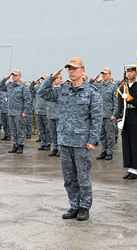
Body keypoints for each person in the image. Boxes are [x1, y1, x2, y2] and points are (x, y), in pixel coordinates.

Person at [39, 57, 102, 221]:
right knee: (69, 178)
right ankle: (74, 205)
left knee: (83, 177)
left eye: (74, 68)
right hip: (65, 140)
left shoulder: (91, 92)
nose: (71, 71)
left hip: (82, 142)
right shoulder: (63, 90)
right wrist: (52, 78)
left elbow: (96, 118)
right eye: (69, 69)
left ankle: (84, 206)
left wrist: (93, 140)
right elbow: (42, 93)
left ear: (83, 71)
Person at [116, 65, 137, 180]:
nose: (129, 74)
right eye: (127, 72)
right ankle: (130, 169)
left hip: (136, 117)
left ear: (136, 73)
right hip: (126, 117)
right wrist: (119, 117)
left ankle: (136, 170)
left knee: (135, 144)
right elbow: (120, 104)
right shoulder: (123, 87)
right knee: (126, 145)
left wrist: (131, 99)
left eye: (131, 72)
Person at [0, 70, 32, 154]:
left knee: (20, 130)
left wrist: (25, 111)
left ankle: (21, 145)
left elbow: (27, 100)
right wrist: (5, 79)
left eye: (15, 75)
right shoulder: (10, 86)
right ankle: (15, 144)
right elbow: (0, 87)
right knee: (13, 130)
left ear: (20, 76)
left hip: (19, 112)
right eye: (13, 75)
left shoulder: (24, 87)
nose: (14, 77)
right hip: (11, 112)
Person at [90, 67, 118, 161]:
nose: (104, 75)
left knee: (110, 135)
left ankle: (109, 152)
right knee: (102, 135)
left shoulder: (113, 86)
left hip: (109, 115)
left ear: (110, 75)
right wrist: (94, 78)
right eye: (103, 74)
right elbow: (89, 85)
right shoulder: (99, 85)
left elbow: (116, 101)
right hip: (100, 115)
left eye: (105, 74)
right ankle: (103, 151)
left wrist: (114, 114)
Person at [30, 75, 51, 150]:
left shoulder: (48, 88)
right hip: (38, 111)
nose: (42, 80)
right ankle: (43, 143)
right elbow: (30, 91)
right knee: (41, 129)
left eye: (44, 79)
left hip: (45, 111)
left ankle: (48, 143)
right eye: (42, 79)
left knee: (47, 129)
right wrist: (33, 83)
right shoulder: (38, 88)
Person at [46, 73, 63, 157]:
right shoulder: (50, 89)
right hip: (51, 113)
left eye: (58, 78)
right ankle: (55, 148)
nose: (56, 80)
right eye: (55, 78)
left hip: (58, 114)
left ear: (61, 80)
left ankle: (60, 149)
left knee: (59, 133)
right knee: (52, 133)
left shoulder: (62, 89)